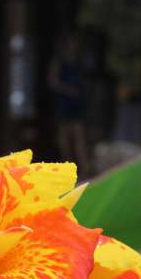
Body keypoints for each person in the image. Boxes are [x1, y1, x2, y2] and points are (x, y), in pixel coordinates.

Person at [48, 33, 89, 177]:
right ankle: (68, 168)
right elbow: (53, 82)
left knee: (79, 137)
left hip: (76, 104)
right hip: (64, 104)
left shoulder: (78, 61)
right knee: (65, 138)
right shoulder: (59, 61)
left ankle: (83, 170)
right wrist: (68, 90)